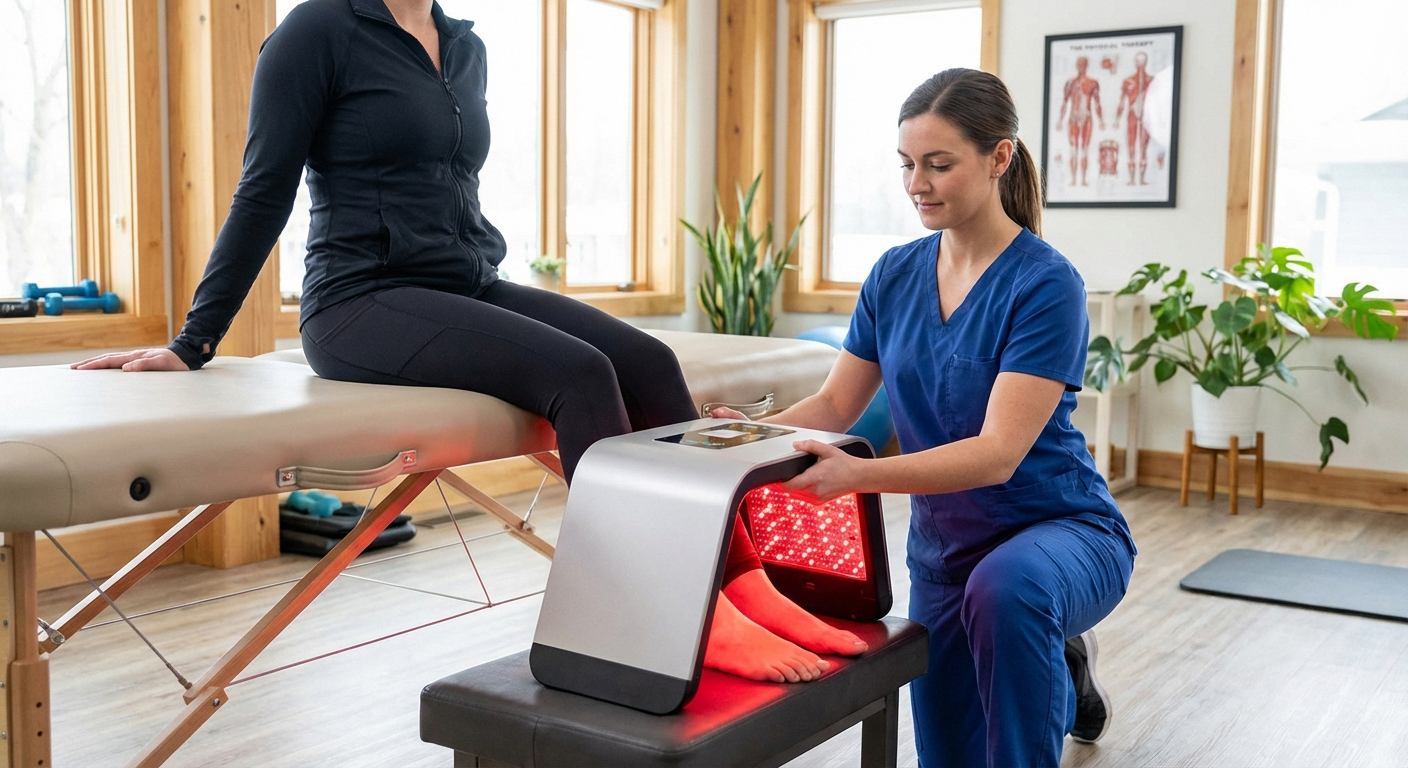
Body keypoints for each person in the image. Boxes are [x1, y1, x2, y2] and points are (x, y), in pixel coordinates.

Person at [70, 0, 864, 685]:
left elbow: (452, 185)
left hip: (465, 283)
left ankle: (744, 583)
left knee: (649, 362)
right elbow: (263, 188)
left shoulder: (464, 44)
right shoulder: (317, 31)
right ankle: (674, 612)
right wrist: (194, 342)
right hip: (359, 302)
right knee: (579, 374)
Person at [714, 69, 1136, 766]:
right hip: (946, 557)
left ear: (999, 158)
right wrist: (747, 435)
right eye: (907, 165)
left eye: (939, 164)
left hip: (1058, 531)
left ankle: (1044, 640)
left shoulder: (1045, 283)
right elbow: (835, 405)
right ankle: (1059, 664)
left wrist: (859, 476)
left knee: (1010, 594)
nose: (918, 184)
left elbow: (998, 453)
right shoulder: (893, 274)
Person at [1056, 55, 1104, 186]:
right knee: (1073, 149)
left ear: (1087, 66)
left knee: (1084, 150)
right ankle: (1073, 179)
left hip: (1086, 117)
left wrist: (1101, 120)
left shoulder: (1092, 83)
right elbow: (1065, 102)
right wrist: (1060, 120)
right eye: (1079, 64)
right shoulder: (1070, 83)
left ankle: (1083, 179)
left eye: (1084, 64)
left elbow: (1097, 103)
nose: (1081, 67)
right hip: (1073, 118)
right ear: (1077, 66)